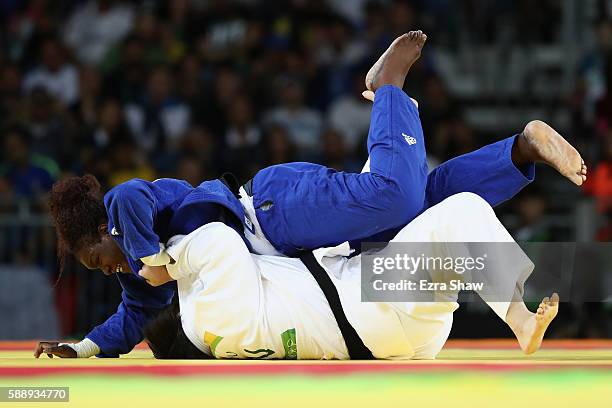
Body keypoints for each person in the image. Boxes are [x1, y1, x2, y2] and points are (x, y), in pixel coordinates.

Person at [36, 31, 584, 359]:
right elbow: (132, 316)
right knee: (418, 211)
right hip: (303, 249)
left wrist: (149, 257)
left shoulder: (134, 214)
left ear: (103, 231)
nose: (110, 271)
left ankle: (388, 88)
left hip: (269, 212)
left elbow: (129, 197)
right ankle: (518, 151)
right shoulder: (151, 272)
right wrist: (84, 348)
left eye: (97, 261)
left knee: (392, 196)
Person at [143, 192, 559, 360]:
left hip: (398, 342)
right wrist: (168, 262)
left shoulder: (226, 348)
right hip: (370, 301)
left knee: (444, 241)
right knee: (461, 210)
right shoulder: (203, 317)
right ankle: (518, 319)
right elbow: (216, 240)